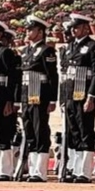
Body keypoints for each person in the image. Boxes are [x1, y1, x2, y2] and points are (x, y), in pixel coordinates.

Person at [63, 13, 95, 183]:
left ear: (86, 28)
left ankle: (84, 171)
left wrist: (91, 96)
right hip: (71, 94)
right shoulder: (71, 46)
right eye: (73, 27)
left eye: (77, 27)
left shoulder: (94, 46)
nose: (74, 30)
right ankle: (74, 167)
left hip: (84, 94)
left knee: (85, 130)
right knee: (74, 132)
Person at [19, 16, 57, 181]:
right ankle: (33, 169)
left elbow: (52, 77)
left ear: (40, 31)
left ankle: (40, 171)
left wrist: (52, 99)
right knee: (30, 132)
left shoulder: (46, 51)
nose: (28, 32)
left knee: (40, 130)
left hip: (40, 95)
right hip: (27, 95)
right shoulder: (26, 51)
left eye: (31, 29)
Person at [0, 20, 22, 180]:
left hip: (1, 95)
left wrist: (11, 101)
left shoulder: (5, 52)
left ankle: (5, 170)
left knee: (2, 132)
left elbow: (13, 78)